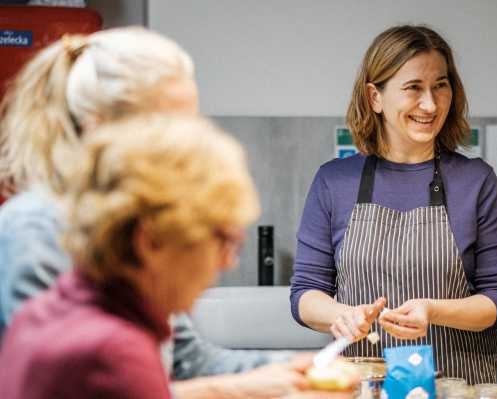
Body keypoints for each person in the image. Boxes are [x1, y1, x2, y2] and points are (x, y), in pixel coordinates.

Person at [0, 26, 311, 394]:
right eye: (168, 126)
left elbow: (185, 359)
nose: (189, 142)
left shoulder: (144, 242)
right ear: (100, 127)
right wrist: (231, 389)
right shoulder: (32, 230)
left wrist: (299, 369)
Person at [0, 115, 353, 398]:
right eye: (221, 241)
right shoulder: (110, 351)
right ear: (150, 240)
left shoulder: (58, 313)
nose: (228, 262)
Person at [290, 25, 497, 384]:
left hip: (460, 386)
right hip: (364, 386)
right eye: (414, 87)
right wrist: (342, 315)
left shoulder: (476, 181)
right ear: (375, 98)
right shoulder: (334, 182)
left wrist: (433, 311)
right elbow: (306, 293)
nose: (430, 104)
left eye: (440, 85)